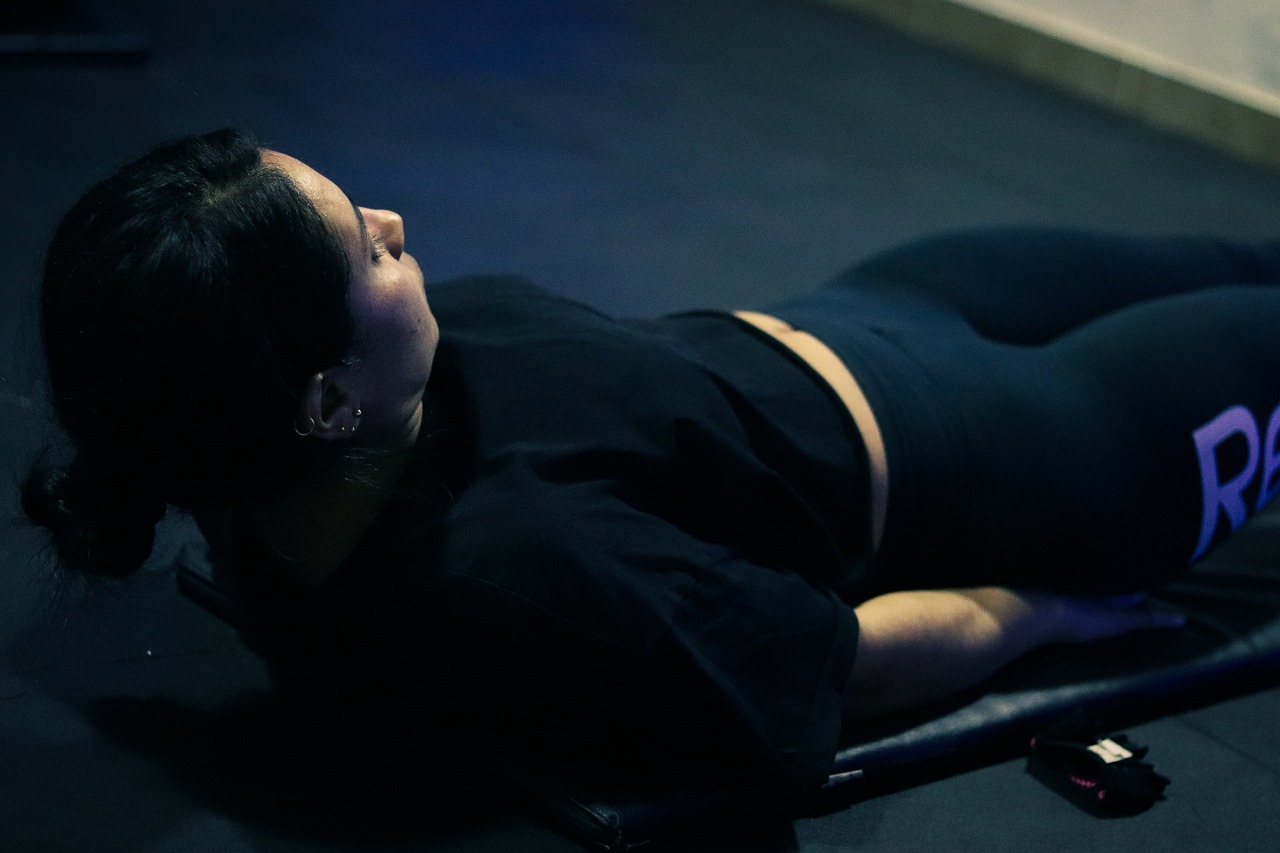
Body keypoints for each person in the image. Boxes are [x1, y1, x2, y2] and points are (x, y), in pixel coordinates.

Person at [20, 128, 1280, 790]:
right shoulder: (529, 567)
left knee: (1236, 255)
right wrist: (1053, 609)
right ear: (327, 396)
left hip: (868, 313)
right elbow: (850, 668)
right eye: (369, 250)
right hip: (1043, 455)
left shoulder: (254, 453)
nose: (396, 224)